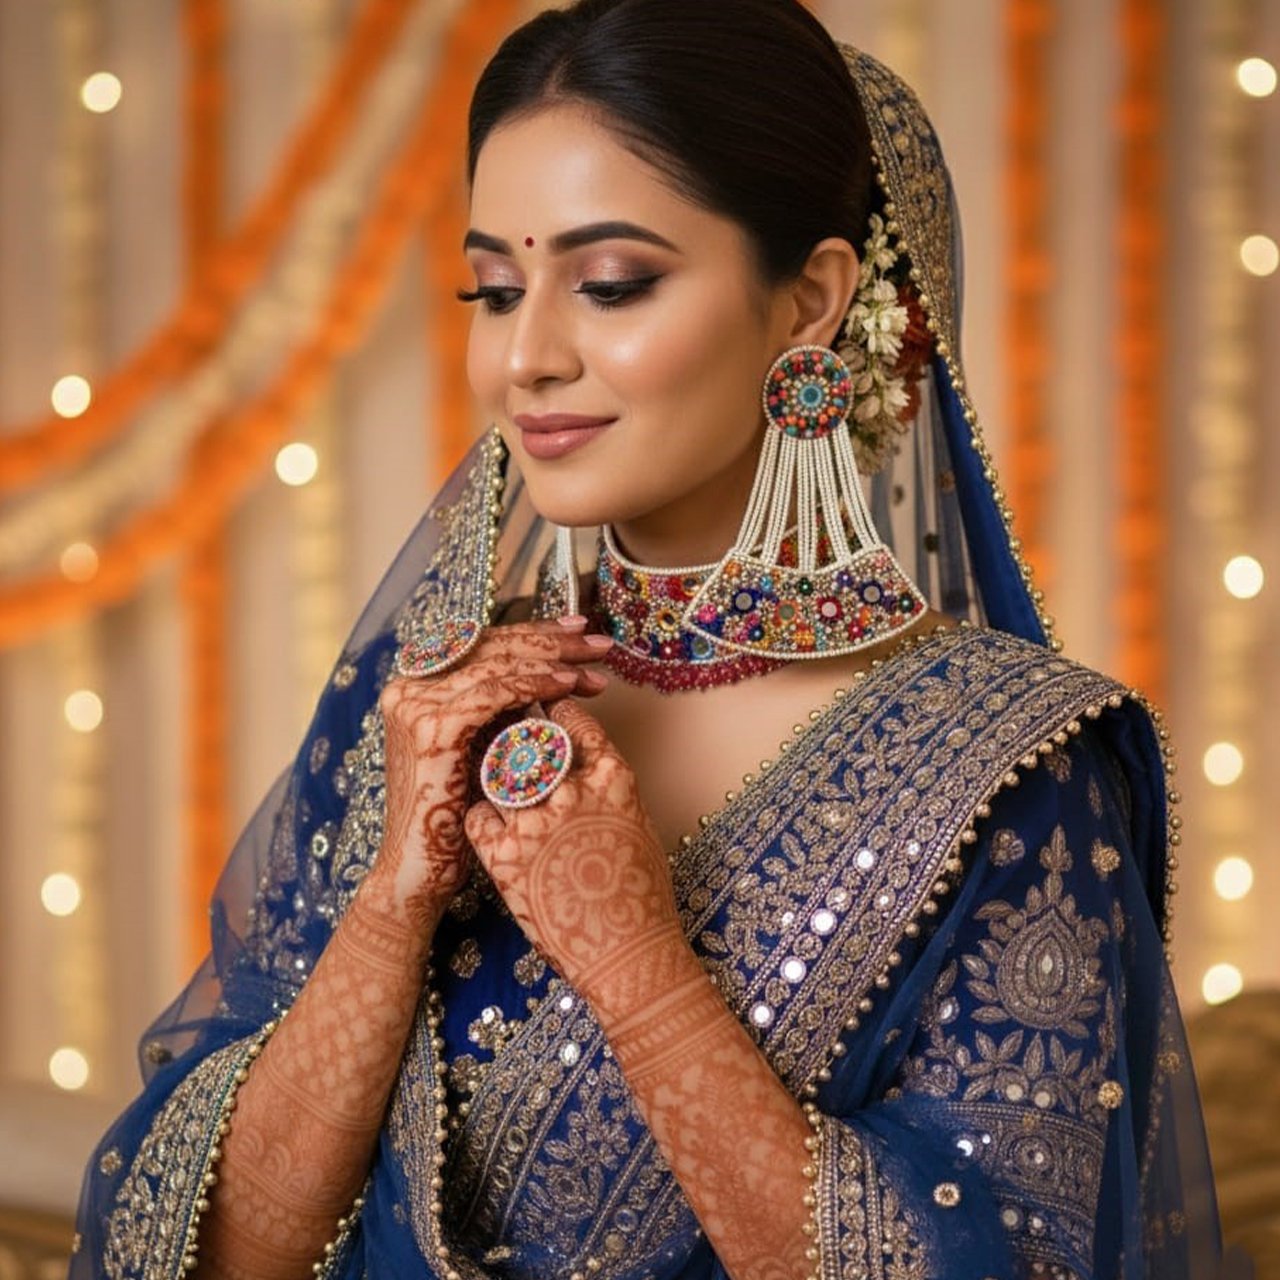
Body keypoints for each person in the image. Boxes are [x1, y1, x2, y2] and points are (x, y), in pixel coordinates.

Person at [72, 2, 1227, 1277]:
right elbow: (196, 1253)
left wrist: (634, 963)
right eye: (493, 290)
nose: (525, 356)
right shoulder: (439, 710)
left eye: (611, 283)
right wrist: (397, 898)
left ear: (809, 300)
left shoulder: (1010, 777)